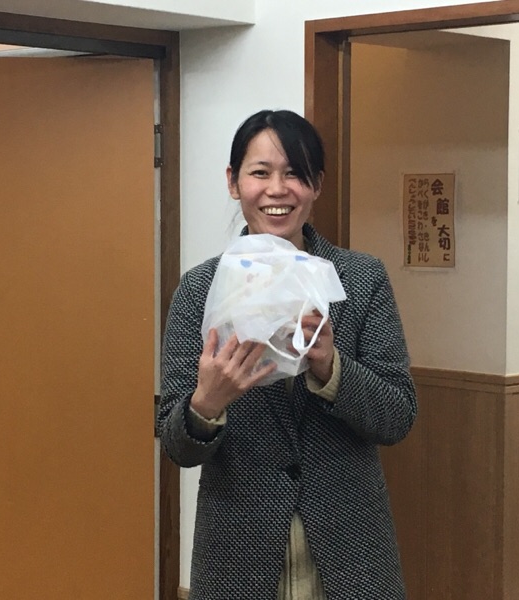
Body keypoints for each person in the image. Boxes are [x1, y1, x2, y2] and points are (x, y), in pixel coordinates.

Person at [158, 109, 417, 600]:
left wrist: (331, 367)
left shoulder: (360, 280)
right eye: (260, 172)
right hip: (238, 554)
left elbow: (398, 416)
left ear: (316, 185)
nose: (277, 190)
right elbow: (177, 448)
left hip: (351, 551)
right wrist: (206, 404)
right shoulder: (199, 291)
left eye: (295, 173)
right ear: (233, 182)